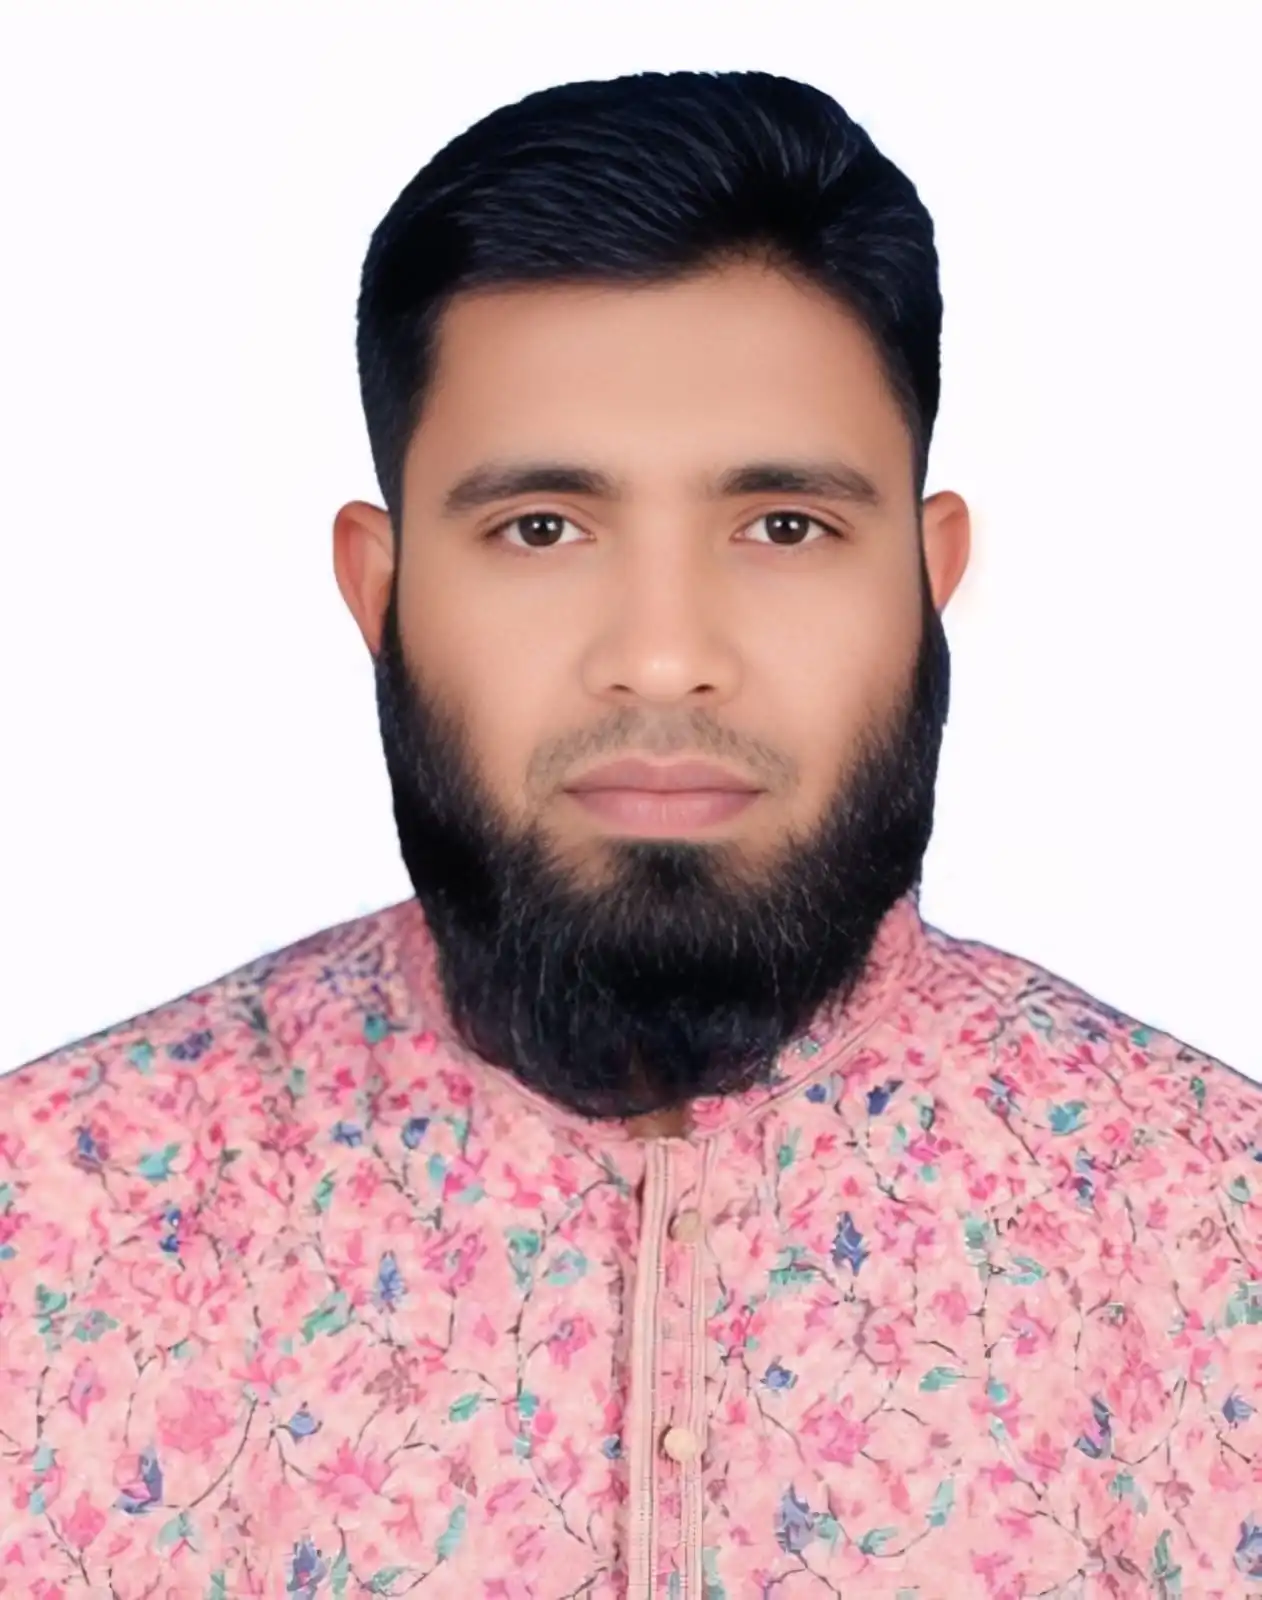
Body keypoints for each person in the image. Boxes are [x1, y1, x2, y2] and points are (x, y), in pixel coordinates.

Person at [2, 67, 1258, 1600]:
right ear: (380, 593)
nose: (662, 659)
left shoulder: (1220, 1227)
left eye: (782, 527)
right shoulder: (49, 1221)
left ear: (927, 583)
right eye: (541, 529)